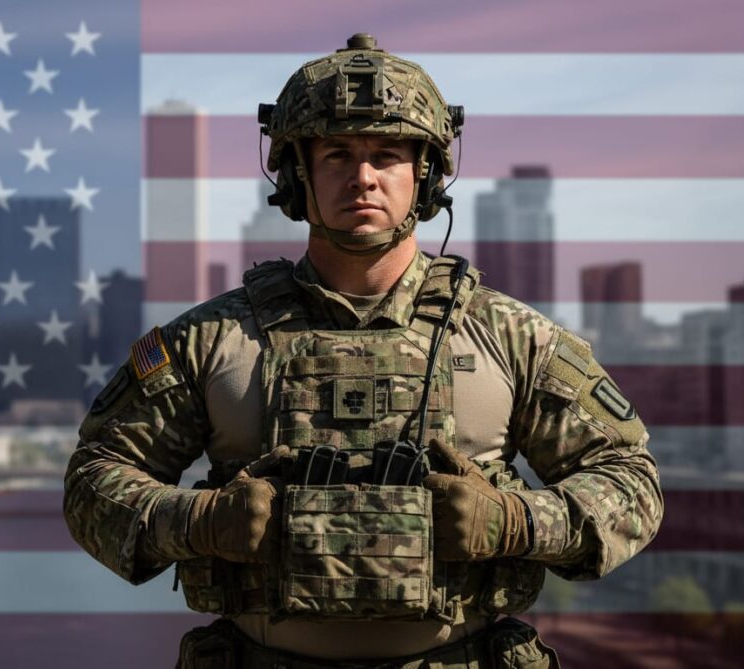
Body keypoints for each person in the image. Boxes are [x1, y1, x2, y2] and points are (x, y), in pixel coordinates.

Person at [64, 33, 663, 668]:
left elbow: (633, 484)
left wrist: (516, 521)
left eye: (388, 153)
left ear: (424, 175)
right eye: (337, 155)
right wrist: (197, 522)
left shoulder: (513, 337)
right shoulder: (210, 340)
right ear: (297, 174)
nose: (363, 178)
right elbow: (93, 481)